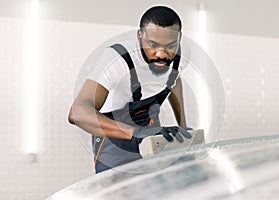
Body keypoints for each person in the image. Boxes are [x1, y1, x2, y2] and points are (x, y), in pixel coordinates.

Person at [68, 6, 192, 174]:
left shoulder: (179, 56)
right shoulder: (117, 58)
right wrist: (137, 132)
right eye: (152, 45)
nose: (161, 54)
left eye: (170, 46)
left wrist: (183, 127)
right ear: (140, 36)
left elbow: (174, 79)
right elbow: (77, 113)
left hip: (151, 130)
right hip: (113, 138)